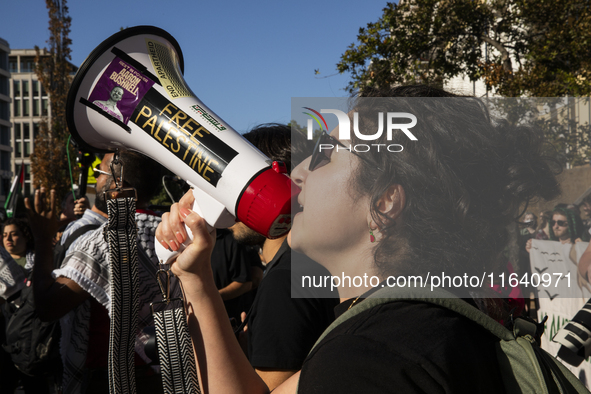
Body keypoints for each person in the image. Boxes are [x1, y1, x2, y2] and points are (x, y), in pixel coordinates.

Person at [156, 85, 561, 393]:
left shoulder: (367, 356)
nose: (298, 176)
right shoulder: (407, 328)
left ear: (385, 203)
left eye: (327, 155)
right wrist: (196, 278)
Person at [28, 151, 169, 394]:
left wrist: (42, 239)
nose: (94, 177)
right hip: (165, 372)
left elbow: (48, 307)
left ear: (118, 185)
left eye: (100, 172)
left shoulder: (105, 241)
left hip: (112, 378)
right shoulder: (169, 231)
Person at [229, 124, 338, 390]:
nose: (228, 201)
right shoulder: (313, 263)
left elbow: (267, 389)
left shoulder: (285, 280)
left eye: (238, 188)